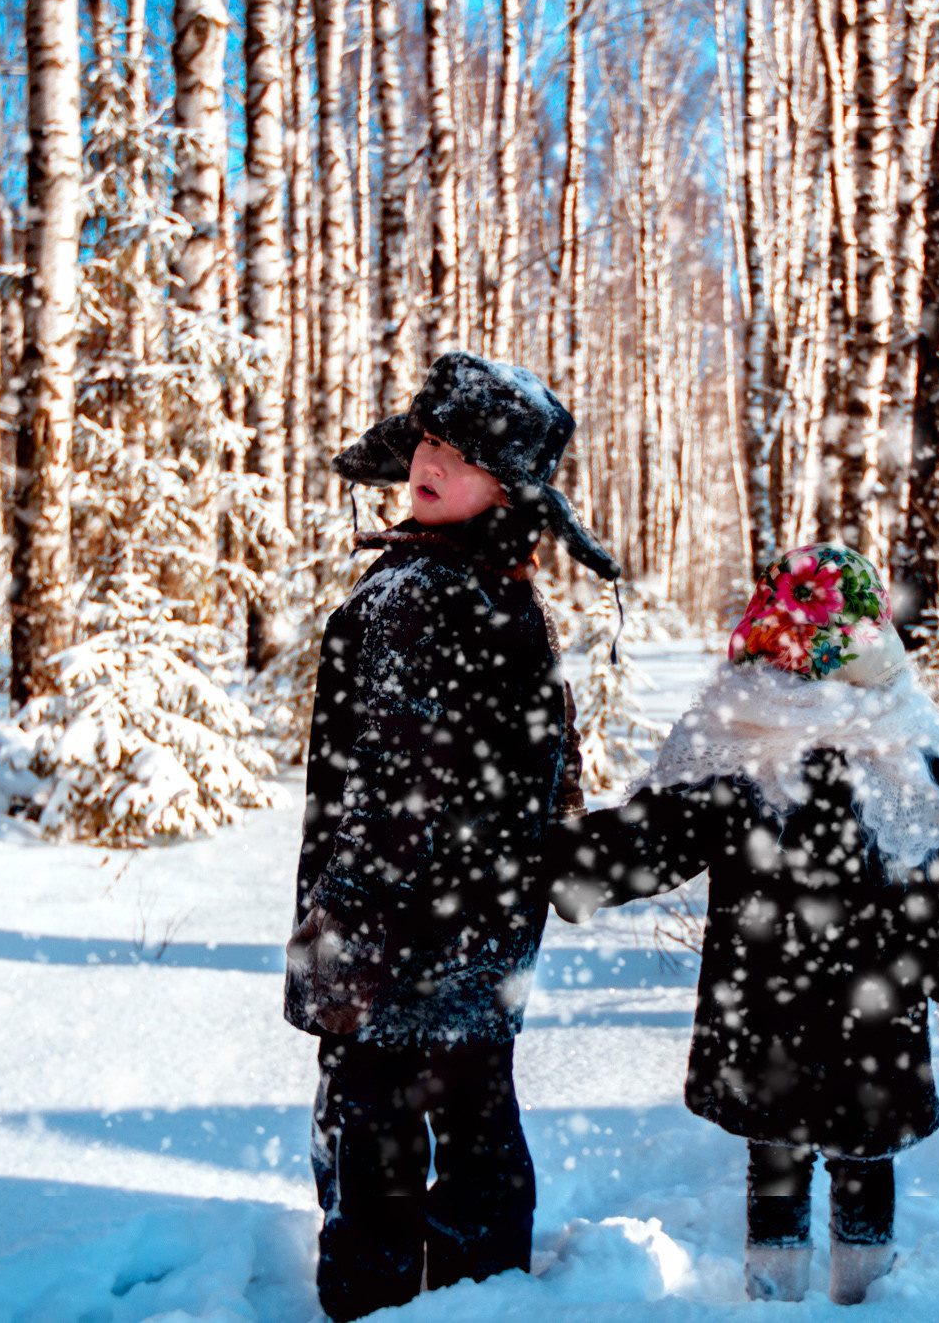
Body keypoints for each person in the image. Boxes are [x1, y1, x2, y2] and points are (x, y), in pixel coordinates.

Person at [543, 543, 939, 1306]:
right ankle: (861, 1297)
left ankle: (779, 1294)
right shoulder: (904, 742)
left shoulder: (739, 741)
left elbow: (651, 840)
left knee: (782, 1165)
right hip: (874, 1019)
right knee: (863, 1164)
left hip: (767, 1014)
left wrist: (569, 859)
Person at [283, 351, 620, 1321]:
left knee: (375, 1132)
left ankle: (379, 1299)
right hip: (468, 926)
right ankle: (478, 1295)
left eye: (461, 453)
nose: (431, 460)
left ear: (506, 487)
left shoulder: (428, 597)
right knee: (467, 1117)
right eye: (428, 438)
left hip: (393, 925)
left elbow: (401, 790)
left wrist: (350, 927)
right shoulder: (493, 591)